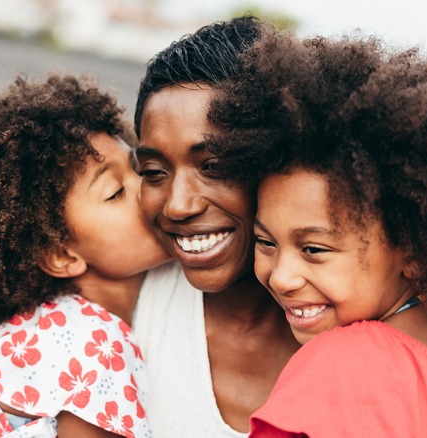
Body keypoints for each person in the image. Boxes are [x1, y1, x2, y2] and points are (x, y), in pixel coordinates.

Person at [208, 28, 427, 436]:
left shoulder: (340, 368)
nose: (281, 276)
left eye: (314, 249)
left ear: (412, 247)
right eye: (266, 242)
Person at [0, 74, 170, 438]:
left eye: (141, 168)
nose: (147, 186)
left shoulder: (53, 323)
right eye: (114, 192)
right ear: (62, 255)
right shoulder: (94, 345)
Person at [130, 18, 300, 437]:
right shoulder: (129, 306)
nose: (178, 205)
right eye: (154, 171)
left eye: (216, 166)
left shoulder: (371, 328)